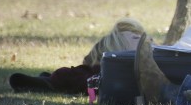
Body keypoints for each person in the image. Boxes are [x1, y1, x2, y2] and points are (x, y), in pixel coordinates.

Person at [8, 17, 146, 95]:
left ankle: (46, 78)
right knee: (64, 81)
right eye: (135, 38)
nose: (144, 41)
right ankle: (45, 81)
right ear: (118, 48)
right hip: (75, 76)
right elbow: (91, 87)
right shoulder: (104, 71)